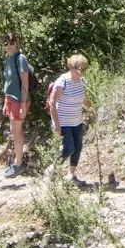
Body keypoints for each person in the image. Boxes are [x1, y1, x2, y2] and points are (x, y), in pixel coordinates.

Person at [47, 54, 92, 184]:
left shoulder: (82, 81)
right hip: (63, 121)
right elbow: (52, 103)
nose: (83, 72)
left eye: (84, 69)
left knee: (77, 147)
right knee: (69, 148)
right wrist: (56, 124)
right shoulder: (62, 82)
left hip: (76, 120)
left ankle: (71, 175)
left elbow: (85, 99)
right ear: (72, 68)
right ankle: (51, 169)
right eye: (80, 69)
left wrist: (91, 110)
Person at [1, 33, 32, 178]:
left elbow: (24, 83)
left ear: (17, 43)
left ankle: (19, 164)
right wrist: (5, 101)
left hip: (19, 100)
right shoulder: (9, 59)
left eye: (12, 43)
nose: (9, 46)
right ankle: (17, 162)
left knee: (16, 131)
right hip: (10, 99)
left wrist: (23, 105)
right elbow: (8, 82)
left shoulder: (20, 59)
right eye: (6, 43)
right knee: (15, 131)